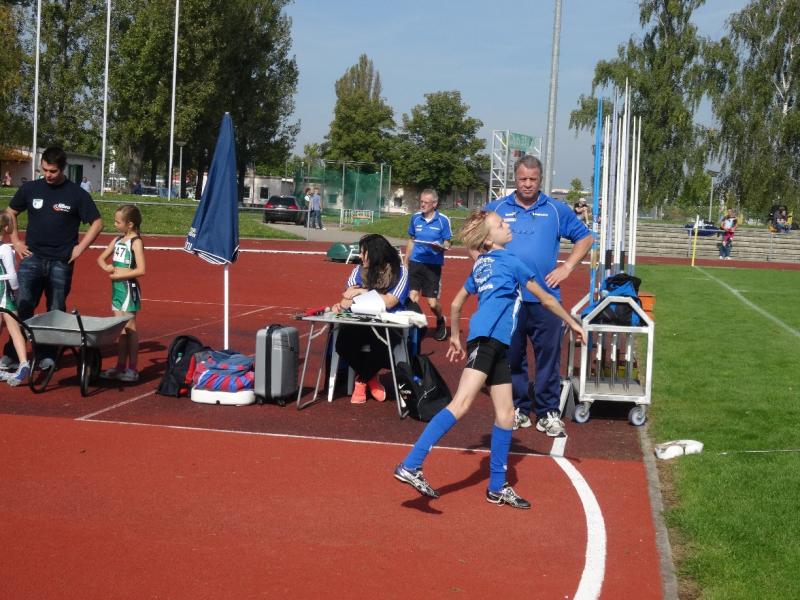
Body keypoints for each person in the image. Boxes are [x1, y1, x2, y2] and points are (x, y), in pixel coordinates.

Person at [393, 211, 586, 505]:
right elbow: (547, 298)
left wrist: (455, 336)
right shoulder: (510, 261)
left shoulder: (481, 264)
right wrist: (572, 323)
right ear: (488, 238)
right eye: (500, 225)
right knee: (460, 404)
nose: (507, 226)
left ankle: (497, 486)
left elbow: (456, 303)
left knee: (506, 414)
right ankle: (411, 464)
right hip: (488, 341)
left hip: (495, 344)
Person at [484, 155, 592, 436]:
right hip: (508, 299)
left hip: (545, 297)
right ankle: (519, 408)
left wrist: (567, 267)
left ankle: (547, 411)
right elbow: (472, 237)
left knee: (548, 357)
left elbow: (585, 238)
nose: (528, 184)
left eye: (533, 179)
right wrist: (485, 267)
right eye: (523, 179)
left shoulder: (556, 210)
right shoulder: (497, 209)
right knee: (512, 355)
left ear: (541, 180)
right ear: (515, 179)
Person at [0, 146, 103, 372]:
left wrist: (80, 248)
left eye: (53, 171)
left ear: (63, 168)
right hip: (32, 258)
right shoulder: (30, 188)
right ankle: (13, 353)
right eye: (44, 170)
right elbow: (10, 213)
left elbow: (97, 223)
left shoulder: (76, 194)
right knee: (23, 305)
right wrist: (16, 241)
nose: (48, 174)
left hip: (61, 261)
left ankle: (47, 355)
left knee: (55, 309)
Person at [331, 234, 409, 404]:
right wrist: (341, 304)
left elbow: (390, 302)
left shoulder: (400, 272)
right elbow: (347, 299)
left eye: (362, 252)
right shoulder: (358, 271)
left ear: (375, 253)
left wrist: (362, 291)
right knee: (342, 344)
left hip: (389, 323)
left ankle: (361, 381)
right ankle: (370, 378)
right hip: (361, 321)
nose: (360, 256)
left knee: (381, 345)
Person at [96, 205, 145, 382]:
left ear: (129, 224)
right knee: (121, 329)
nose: (115, 224)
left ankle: (132, 369)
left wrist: (120, 275)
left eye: (118, 222)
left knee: (130, 329)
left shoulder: (136, 242)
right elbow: (101, 258)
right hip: (117, 289)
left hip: (128, 289)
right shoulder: (117, 240)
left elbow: (141, 270)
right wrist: (107, 267)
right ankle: (120, 366)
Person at [404, 189, 452, 341]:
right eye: (421, 201)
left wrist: (441, 247)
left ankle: (440, 319)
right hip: (416, 262)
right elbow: (411, 240)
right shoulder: (415, 218)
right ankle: (415, 328)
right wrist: (406, 260)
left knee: (432, 303)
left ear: (434, 203)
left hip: (433, 266)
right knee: (412, 297)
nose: (422, 205)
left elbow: (447, 243)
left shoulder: (443, 220)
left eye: (426, 202)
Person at [0, 213, 31, 386]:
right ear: (6, 228)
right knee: (14, 328)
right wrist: (17, 292)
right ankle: (23, 363)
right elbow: (12, 276)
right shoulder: (5, 249)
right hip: (4, 292)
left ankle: (22, 365)